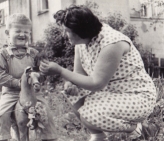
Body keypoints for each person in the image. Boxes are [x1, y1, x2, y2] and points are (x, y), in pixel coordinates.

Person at [39, 5, 157, 141]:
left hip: (136, 96)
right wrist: (71, 84)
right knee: (73, 95)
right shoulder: (82, 43)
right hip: (111, 93)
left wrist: (60, 70)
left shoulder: (112, 43)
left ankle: (134, 129)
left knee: (89, 115)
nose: (64, 35)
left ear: (80, 31)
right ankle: (98, 136)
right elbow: (79, 74)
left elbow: (97, 83)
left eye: (67, 31)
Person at [0, 13, 58, 141]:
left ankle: (49, 137)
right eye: (18, 31)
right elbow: (1, 76)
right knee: (2, 114)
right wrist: (19, 83)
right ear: (8, 32)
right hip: (11, 93)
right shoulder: (3, 54)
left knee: (45, 110)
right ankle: (3, 137)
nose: (22, 34)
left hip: (31, 92)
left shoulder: (34, 53)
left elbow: (41, 74)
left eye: (26, 32)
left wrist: (41, 75)